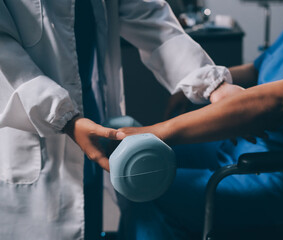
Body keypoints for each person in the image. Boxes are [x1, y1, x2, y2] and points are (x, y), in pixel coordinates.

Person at [114, 0, 283, 239]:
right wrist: (209, 84)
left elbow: (276, 104)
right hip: (240, 144)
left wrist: (156, 131)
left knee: (149, 190)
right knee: (147, 167)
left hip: (281, 174)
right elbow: (258, 69)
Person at [0, 0, 232, 239]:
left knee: (88, 215)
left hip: (89, 115)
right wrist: (63, 118)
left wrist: (213, 84)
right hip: (30, 123)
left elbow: (149, 17)